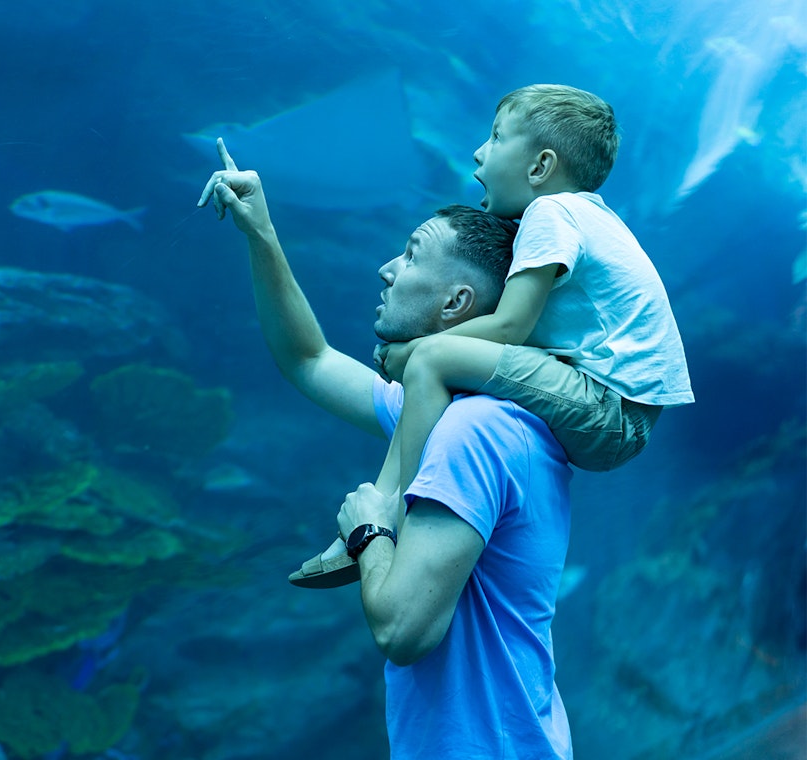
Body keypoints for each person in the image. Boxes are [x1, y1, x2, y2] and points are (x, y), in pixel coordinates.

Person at [198, 139, 573, 758]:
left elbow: (403, 629)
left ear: (456, 303)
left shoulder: (473, 430)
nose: (387, 268)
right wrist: (261, 232)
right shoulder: (447, 412)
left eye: (412, 254)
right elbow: (308, 359)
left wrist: (369, 532)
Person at [296, 84, 695, 587]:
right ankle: (386, 507)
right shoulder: (585, 216)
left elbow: (510, 327)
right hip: (617, 412)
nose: (479, 152)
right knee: (447, 367)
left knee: (433, 361)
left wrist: (412, 350)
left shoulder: (552, 213)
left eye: (497, 136)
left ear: (539, 167)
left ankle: (387, 518)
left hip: (610, 410)